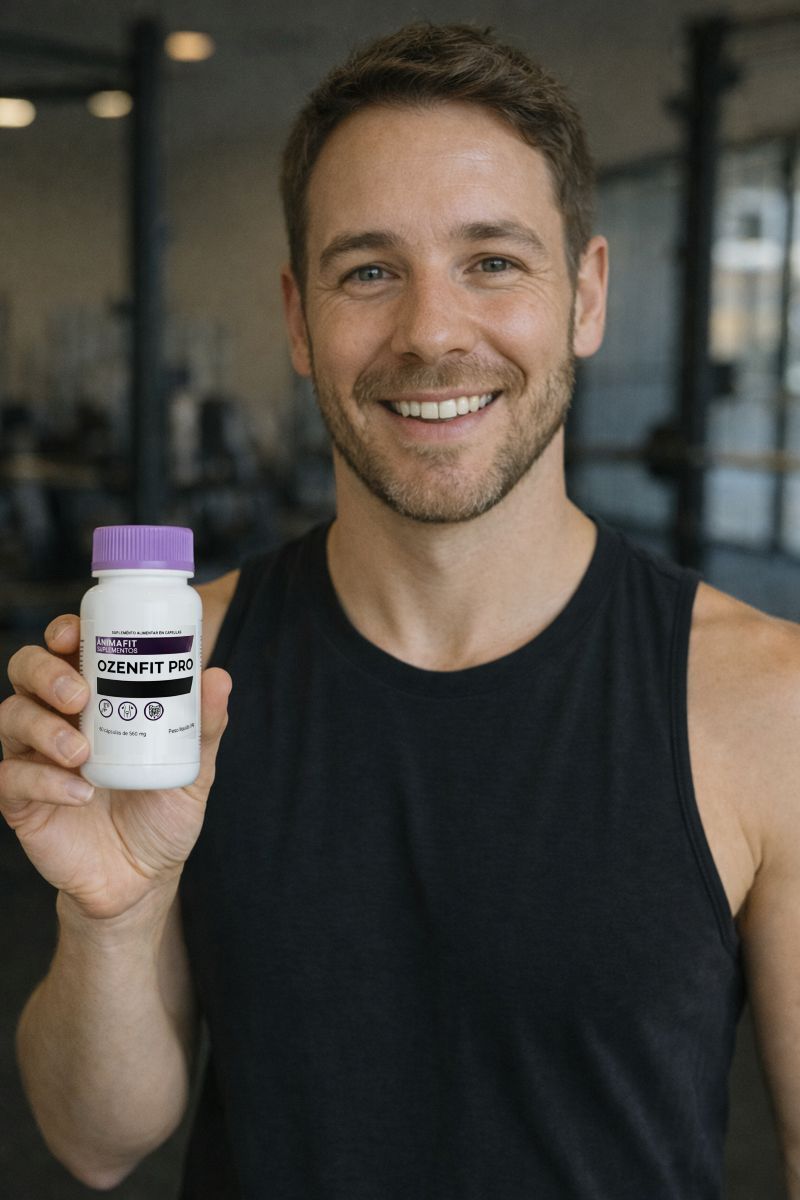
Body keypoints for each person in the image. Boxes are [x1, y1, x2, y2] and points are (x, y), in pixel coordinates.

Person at [2, 20, 799, 1200]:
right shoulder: (179, 672)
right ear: (297, 320)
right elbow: (96, 1142)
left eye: (493, 262)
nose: (429, 332)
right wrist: (109, 916)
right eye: (368, 271)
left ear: (584, 294)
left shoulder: (765, 702)